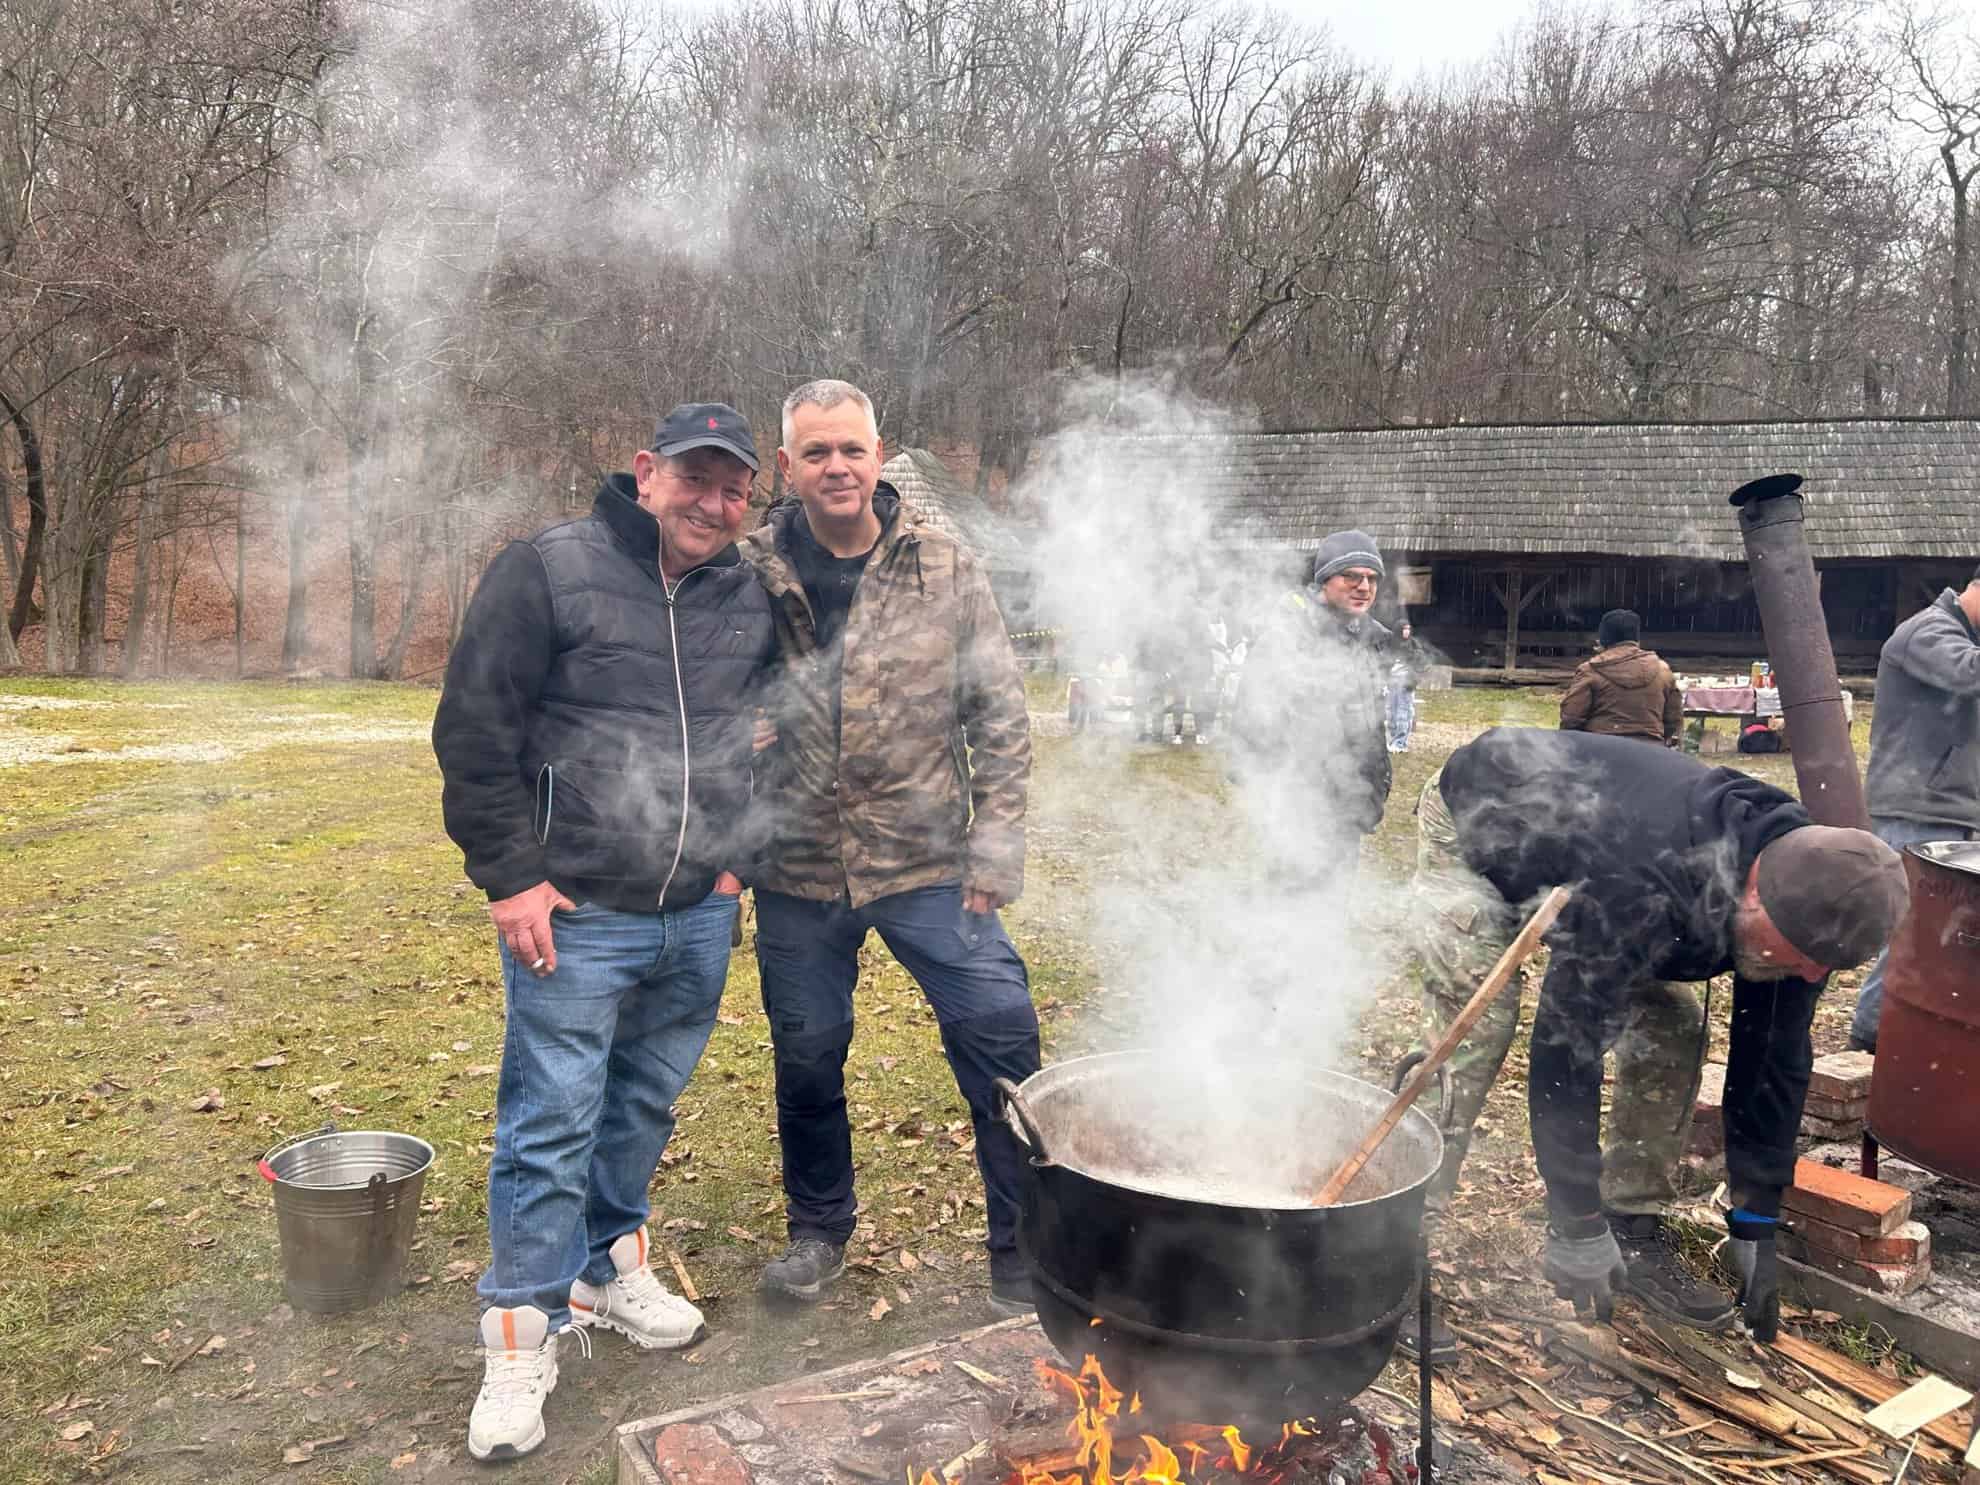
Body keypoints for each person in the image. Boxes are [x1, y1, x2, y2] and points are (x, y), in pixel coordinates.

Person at [431, 404, 776, 1461]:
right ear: (644, 472)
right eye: (695, 480)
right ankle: (520, 1333)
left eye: (732, 488)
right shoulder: (546, 568)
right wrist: (511, 879)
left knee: (639, 1105)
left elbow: (767, 729)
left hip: (694, 913)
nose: (713, 505)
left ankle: (605, 1267)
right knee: (550, 1122)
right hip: (574, 913)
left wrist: (732, 864)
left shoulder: (747, 589)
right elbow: (473, 728)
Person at [1419, 728, 1906, 1353]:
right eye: (1800, 959)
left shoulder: (1813, 898)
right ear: (1755, 893)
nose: (1810, 976)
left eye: (1821, 969)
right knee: (1477, 1033)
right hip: (1479, 829)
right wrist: (1573, 1222)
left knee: (1674, 1027)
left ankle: (1633, 1223)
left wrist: (1756, 1218)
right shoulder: (1644, 876)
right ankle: (1384, 1254)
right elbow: (1566, 1050)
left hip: (1593, 867)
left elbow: (1773, 1062)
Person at [739, 378, 1041, 1316]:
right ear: (786, 466)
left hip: (928, 862)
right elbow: (697, 692)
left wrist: (995, 846)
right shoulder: (744, 570)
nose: (836, 467)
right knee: (807, 1050)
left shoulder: (945, 566)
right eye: (816, 452)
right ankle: (819, 1229)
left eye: (852, 450)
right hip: (795, 866)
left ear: (880, 455)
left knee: (1002, 1034)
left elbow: (998, 713)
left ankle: (1028, 1252)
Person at [1849, 568, 1980, 1051]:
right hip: (1915, 807)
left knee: (1944, 934)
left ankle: (1914, 1037)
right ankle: (1869, 1041)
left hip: (1948, 805)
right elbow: (1970, 674)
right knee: (1910, 933)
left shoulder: (1959, 635)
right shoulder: (1927, 631)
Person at [1228, 530, 1394, 845]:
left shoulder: (1369, 641)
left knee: (1337, 891)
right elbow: (1251, 732)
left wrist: (1373, 787)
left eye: (1372, 579)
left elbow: (1370, 727)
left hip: (1350, 805)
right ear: (1323, 581)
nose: (1364, 587)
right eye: (1351, 576)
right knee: (1294, 893)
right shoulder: (1285, 640)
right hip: (1299, 811)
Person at [1559, 608, 1682, 745]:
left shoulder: (1591, 670)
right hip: (1650, 751)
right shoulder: (1662, 670)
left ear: (1603, 638)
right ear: (1636, 638)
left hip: (1600, 753)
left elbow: (1571, 719)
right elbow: (1673, 720)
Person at [1386, 619, 1427, 753]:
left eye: (1408, 629)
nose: (1407, 631)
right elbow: (1383, 662)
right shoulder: (1391, 644)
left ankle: (1401, 743)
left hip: (1405, 684)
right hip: (1391, 683)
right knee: (1391, 713)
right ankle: (1393, 740)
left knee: (1403, 714)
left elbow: (1421, 666)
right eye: (1404, 629)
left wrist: (1413, 680)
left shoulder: (1414, 646)